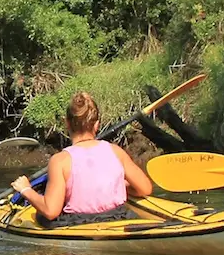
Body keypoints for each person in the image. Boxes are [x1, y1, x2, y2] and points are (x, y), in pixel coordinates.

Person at [10, 92, 151, 222]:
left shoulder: (60, 161)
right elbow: (144, 189)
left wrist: (26, 190)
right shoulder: (116, 151)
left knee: (39, 216)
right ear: (97, 124)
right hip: (117, 216)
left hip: (77, 222)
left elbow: (51, 211)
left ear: (67, 123)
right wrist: (118, 185)